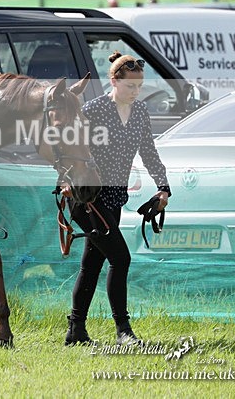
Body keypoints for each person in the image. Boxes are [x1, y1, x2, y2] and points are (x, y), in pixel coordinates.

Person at [64, 51, 171, 346]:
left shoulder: (140, 113)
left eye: (139, 87)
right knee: (121, 258)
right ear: (114, 81)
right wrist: (65, 181)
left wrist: (163, 187)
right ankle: (123, 330)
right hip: (87, 197)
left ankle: (75, 331)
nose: (135, 93)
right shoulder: (92, 111)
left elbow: (149, 152)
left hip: (114, 198)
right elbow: (67, 147)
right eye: (129, 87)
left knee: (92, 264)